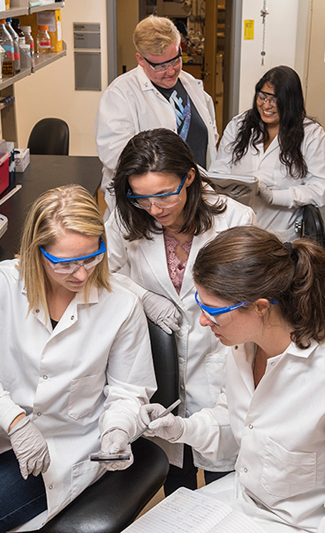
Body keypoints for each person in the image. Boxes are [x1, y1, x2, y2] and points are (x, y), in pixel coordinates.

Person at [140, 226, 325, 533]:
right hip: (239, 503)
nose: (202, 320)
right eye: (200, 302)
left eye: (212, 309)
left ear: (261, 307)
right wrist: (181, 429)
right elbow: (239, 423)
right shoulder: (242, 348)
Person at [0, 185, 156, 533]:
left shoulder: (121, 304)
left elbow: (130, 390)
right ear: (37, 253)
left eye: (91, 257)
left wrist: (118, 429)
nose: (81, 274)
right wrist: (14, 421)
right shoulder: (1, 284)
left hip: (71, 448)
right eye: (66, 264)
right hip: (8, 438)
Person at [105, 128, 255, 495]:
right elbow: (102, 272)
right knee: (176, 483)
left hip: (220, 367)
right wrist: (142, 296)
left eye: (164, 195)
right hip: (159, 368)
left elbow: (251, 297)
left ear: (189, 177)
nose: (154, 209)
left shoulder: (235, 220)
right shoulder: (128, 217)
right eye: (142, 198)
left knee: (226, 486)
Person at [96, 15, 218, 213]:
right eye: (160, 66)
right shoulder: (120, 94)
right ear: (141, 60)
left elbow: (209, 135)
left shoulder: (190, 84)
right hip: (149, 205)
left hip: (194, 196)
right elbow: (116, 155)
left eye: (175, 59)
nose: (170, 71)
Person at [209, 65, 325, 241]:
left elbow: (324, 187)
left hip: (281, 234)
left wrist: (275, 197)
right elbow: (219, 170)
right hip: (235, 230)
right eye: (262, 97)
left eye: (275, 100)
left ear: (291, 102)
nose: (266, 105)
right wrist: (228, 187)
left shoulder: (311, 134)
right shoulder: (239, 125)